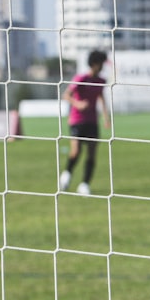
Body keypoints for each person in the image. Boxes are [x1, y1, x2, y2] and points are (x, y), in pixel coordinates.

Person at [59, 50, 111, 195]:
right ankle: (67, 174)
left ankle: (84, 184)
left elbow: (101, 98)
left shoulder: (101, 81)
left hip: (92, 121)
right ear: (94, 64)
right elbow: (66, 95)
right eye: (100, 64)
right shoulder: (81, 78)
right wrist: (78, 104)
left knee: (92, 153)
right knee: (76, 151)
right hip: (77, 121)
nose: (102, 67)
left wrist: (106, 117)